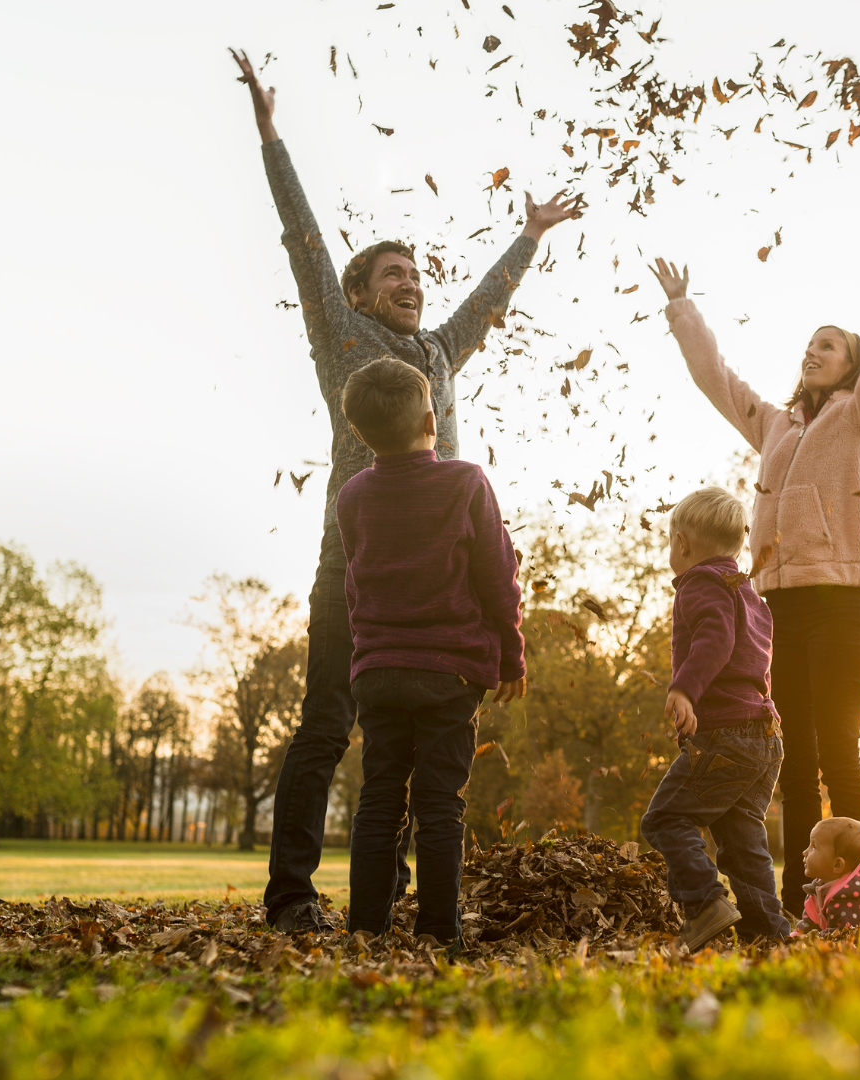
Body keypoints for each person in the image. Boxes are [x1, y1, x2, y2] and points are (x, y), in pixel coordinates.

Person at [229, 49, 581, 933]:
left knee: (420, 752)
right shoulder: (344, 339)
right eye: (394, 275)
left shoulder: (437, 355)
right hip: (355, 567)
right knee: (328, 727)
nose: (414, 285)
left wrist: (531, 236)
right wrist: (271, 134)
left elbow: (484, 307)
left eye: (418, 275)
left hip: (443, 581)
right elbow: (305, 238)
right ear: (355, 296)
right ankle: (291, 895)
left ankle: (394, 903)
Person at [649, 200, 860, 914]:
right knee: (794, 763)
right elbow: (717, 379)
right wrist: (682, 308)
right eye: (809, 344)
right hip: (777, 609)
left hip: (841, 608)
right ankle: (797, 902)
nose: (813, 352)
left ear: (854, 366)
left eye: (829, 346)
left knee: (840, 752)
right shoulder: (776, 425)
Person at [333, 357, 527, 947]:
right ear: (431, 420)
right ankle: (439, 932)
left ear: (359, 433)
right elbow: (498, 577)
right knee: (440, 803)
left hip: (379, 670)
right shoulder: (465, 482)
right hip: (448, 670)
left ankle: (366, 926)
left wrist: (368, 651)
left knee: (381, 797)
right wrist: (512, 655)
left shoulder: (353, 495)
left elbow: (354, 583)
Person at [638, 487, 791, 951]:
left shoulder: (700, 584)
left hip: (726, 735)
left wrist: (685, 688)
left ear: (682, 544)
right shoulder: (750, 594)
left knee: (665, 819)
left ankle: (705, 903)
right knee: (742, 836)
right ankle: (767, 930)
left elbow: (715, 640)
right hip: (765, 735)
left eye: (670, 543)